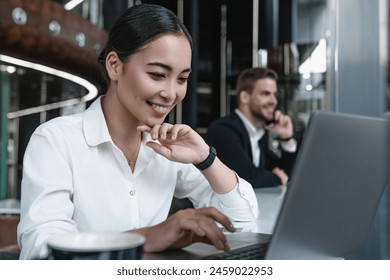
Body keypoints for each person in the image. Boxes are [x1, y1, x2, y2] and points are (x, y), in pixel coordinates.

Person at [17, 4, 258, 260]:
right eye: (157, 74)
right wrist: (146, 238)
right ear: (114, 66)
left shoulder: (166, 149)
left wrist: (205, 158)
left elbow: (242, 226)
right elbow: (42, 252)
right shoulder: (56, 140)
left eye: (182, 79)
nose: (171, 93)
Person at [205, 67, 297, 188]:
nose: (274, 101)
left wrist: (286, 138)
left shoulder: (258, 134)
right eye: (265, 94)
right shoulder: (223, 130)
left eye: (274, 94)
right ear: (245, 97)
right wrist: (278, 178)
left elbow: (287, 173)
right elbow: (246, 179)